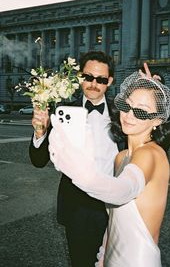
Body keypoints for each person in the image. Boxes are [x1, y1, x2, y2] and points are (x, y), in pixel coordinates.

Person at [48, 71, 170, 266]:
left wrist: (77, 168)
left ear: (157, 120)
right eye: (126, 105)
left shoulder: (152, 154)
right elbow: (115, 218)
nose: (129, 115)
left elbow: (121, 192)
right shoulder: (121, 157)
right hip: (111, 257)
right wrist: (103, 254)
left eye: (141, 111)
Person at [29, 51, 125, 267]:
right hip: (77, 206)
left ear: (109, 81)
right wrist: (39, 132)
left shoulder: (121, 113)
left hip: (114, 205)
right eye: (88, 77)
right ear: (80, 76)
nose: (93, 84)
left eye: (100, 79)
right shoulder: (64, 110)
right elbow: (38, 160)